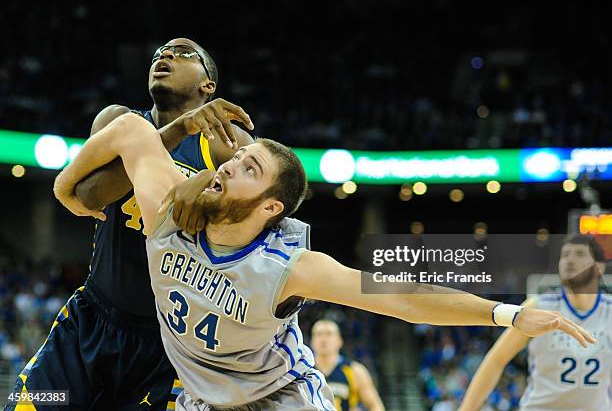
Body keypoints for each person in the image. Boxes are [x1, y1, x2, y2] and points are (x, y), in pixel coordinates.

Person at [53, 113, 596, 410]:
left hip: (279, 398)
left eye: (249, 169)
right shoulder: (171, 208)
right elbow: (127, 130)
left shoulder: (288, 266)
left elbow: (405, 298)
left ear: (270, 207)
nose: (231, 166)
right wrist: (68, 196)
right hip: (200, 398)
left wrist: (502, 315)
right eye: (237, 158)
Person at [5, 38, 254, 411]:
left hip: (166, 347)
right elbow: (90, 195)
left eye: (184, 53)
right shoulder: (119, 120)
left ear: (209, 86)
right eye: (160, 53)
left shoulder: (225, 147)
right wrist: (175, 132)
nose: (166, 55)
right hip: (90, 325)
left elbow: (276, 203)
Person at [459, 234, 610, 411]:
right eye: (565, 255)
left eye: (579, 254)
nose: (570, 260)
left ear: (599, 267)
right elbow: (496, 359)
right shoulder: (538, 307)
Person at [311, 319, 385, 411]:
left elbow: (375, 405)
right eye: (318, 334)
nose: (323, 339)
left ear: (339, 341)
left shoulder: (355, 370)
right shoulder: (303, 370)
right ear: (312, 341)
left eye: (329, 334)